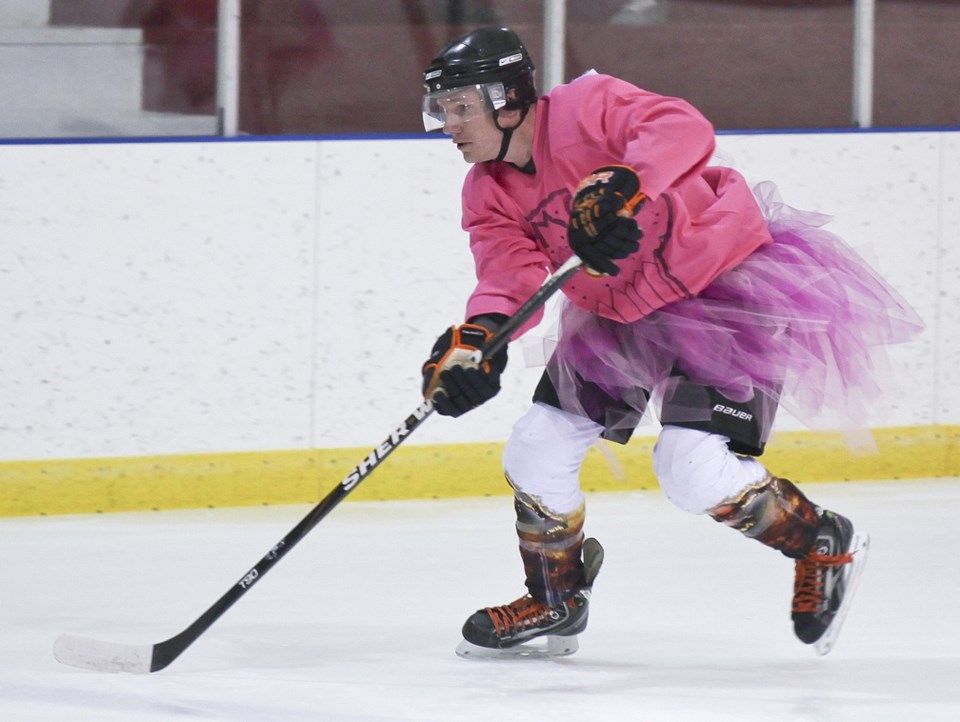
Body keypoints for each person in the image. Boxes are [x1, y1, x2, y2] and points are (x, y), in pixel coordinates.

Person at [418, 27, 923, 658]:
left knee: (689, 470)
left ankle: (820, 538)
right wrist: (476, 343)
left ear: (510, 100)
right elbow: (506, 275)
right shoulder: (487, 189)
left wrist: (619, 182)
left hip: (720, 293)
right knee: (535, 446)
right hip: (618, 317)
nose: (447, 123)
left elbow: (682, 128)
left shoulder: (588, 105)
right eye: (442, 108)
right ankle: (557, 598)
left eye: (460, 106)